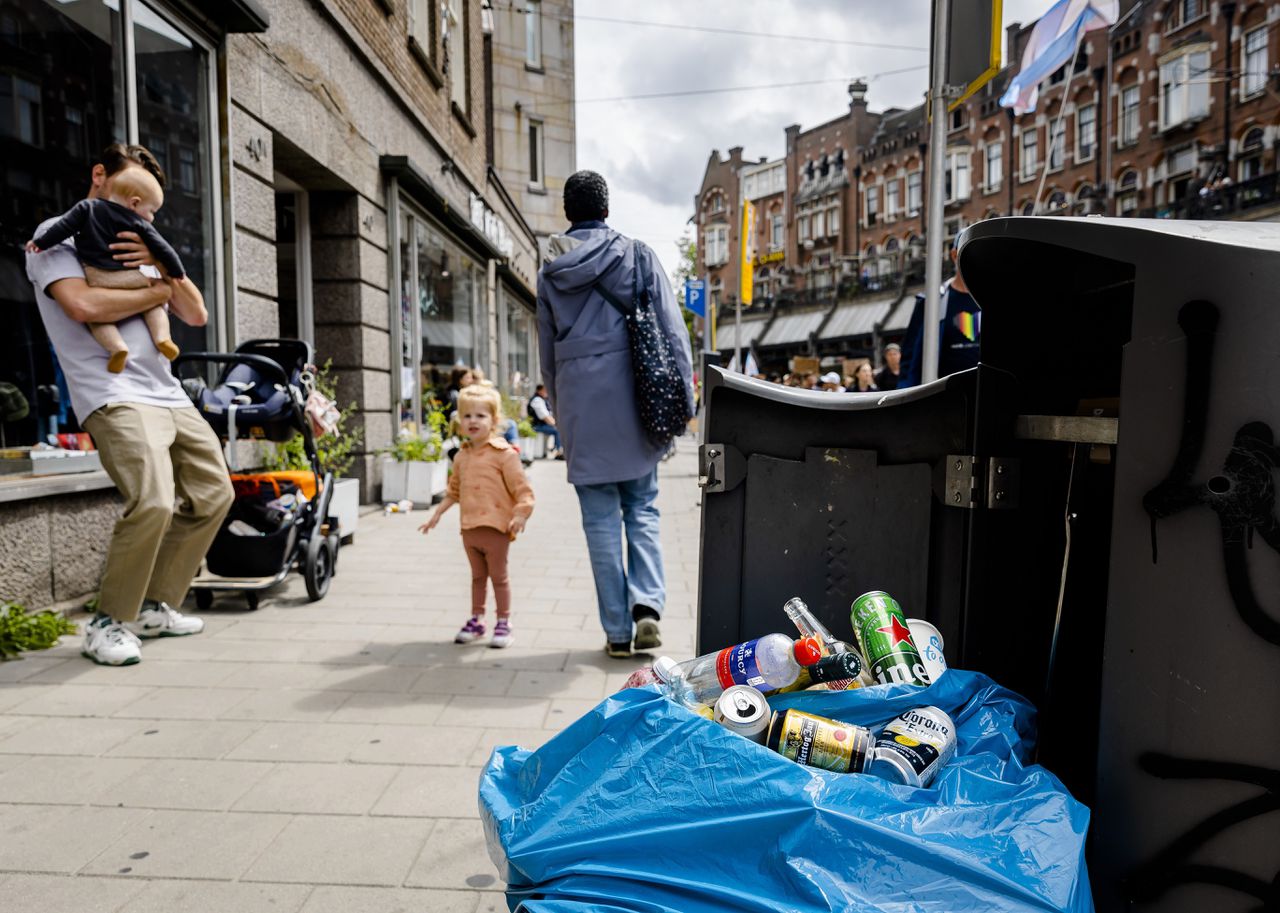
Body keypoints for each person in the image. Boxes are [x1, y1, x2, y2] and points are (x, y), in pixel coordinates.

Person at [24, 143, 233, 666]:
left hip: (166, 391)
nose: (141, 212)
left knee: (214, 495)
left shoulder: (139, 240)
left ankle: (152, 606)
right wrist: (156, 292)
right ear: (100, 176)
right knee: (155, 501)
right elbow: (83, 304)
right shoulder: (61, 235)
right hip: (113, 393)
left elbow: (197, 312)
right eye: (134, 197)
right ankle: (107, 623)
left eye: (150, 209)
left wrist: (161, 266)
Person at [536, 170, 694, 658]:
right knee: (642, 509)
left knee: (599, 524)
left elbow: (546, 350)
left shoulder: (550, 269)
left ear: (568, 213)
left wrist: (562, 415)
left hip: (582, 405)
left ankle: (617, 632)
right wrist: (685, 392)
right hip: (636, 397)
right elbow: (671, 330)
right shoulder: (637, 254)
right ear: (606, 209)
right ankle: (646, 605)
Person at [27, 167, 185, 375]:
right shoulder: (137, 221)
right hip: (129, 276)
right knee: (153, 304)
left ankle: (117, 348)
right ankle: (162, 337)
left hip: (96, 277)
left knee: (99, 319)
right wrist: (176, 272)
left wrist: (40, 243)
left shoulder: (87, 208)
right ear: (134, 203)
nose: (152, 218)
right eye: (152, 211)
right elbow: (164, 249)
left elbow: (64, 228)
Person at [419, 384, 534, 649]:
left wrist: (521, 514)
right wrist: (436, 514)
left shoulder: (504, 455)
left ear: (494, 420)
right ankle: (477, 619)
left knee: (499, 576)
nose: (473, 421)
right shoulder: (461, 456)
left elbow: (523, 490)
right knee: (477, 577)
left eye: (480, 415)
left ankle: (504, 621)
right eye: (467, 415)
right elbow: (454, 491)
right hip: (469, 528)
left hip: (496, 527)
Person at [900, 239, 981, 387]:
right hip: (944, 396)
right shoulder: (931, 301)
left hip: (985, 395)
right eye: (967, 252)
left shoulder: (993, 299)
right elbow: (910, 356)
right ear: (954, 255)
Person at [526, 383, 563, 457]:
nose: (546, 392)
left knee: (558, 429)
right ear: (539, 391)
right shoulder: (537, 400)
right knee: (557, 430)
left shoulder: (542, 400)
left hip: (541, 424)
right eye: (544, 390)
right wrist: (556, 424)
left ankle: (557, 448)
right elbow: (544, 416)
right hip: (537, 426)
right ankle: (559, 451)